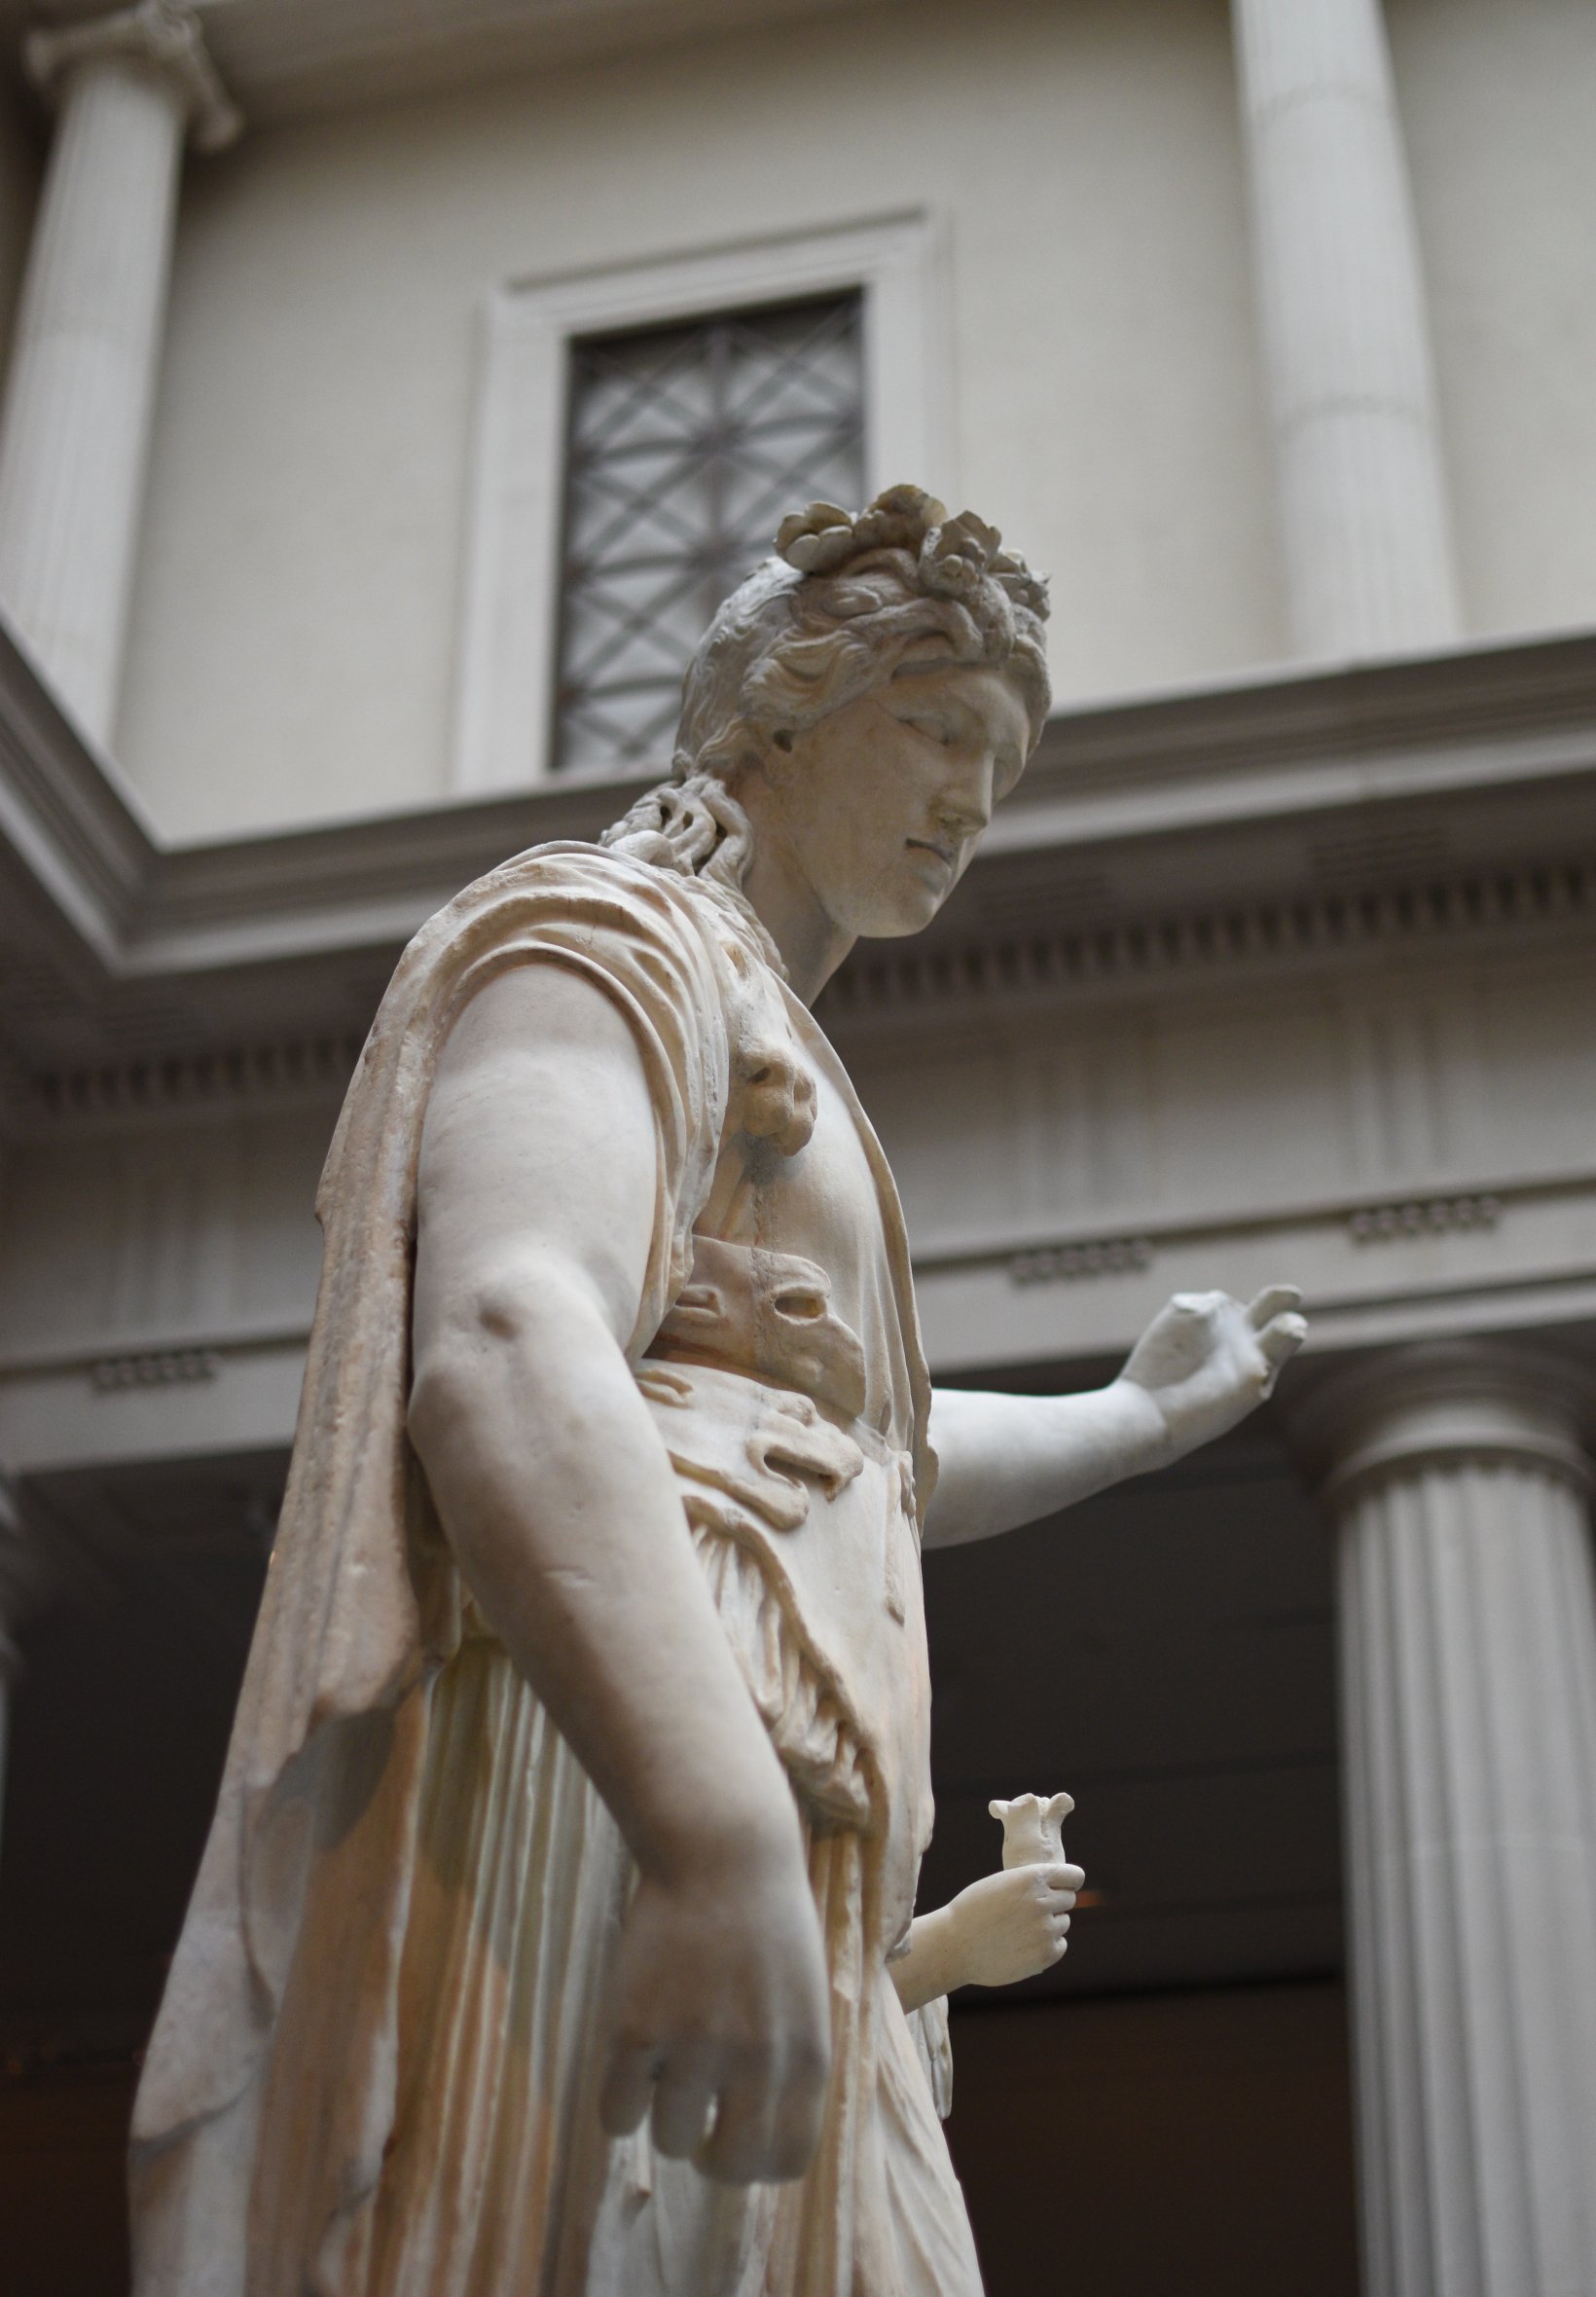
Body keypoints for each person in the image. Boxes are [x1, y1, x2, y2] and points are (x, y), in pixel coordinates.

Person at [129, 486, 1305, 2296]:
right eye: (941, 730)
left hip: (765, 1798)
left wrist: (1137, 1419)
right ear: (783, 710)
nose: (976, 799)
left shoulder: (768, 1023)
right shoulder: (601, 935)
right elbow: (510, 1334)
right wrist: (709, 1822)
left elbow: (876, 1456)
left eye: (1006, 764)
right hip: (614, 1751)